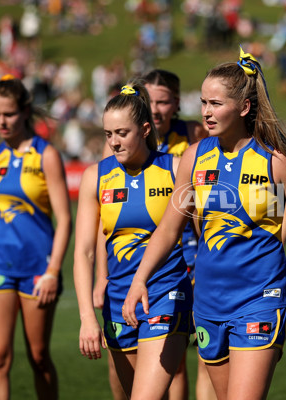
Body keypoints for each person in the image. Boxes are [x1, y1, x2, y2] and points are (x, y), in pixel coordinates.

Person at [122, 48, 286, 400]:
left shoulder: (277, 162)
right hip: (208, 302)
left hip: (260, 298)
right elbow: (168, 229)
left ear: (243, 107)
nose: (206, 112)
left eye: (216, 103)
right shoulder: (194, 156)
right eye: (204, 103)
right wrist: (139, 280)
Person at [91, 69, 210, 400]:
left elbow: (199, 219)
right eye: (151, 101)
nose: (156, 109)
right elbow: (105, 223)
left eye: (163, 101)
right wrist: (101, 277)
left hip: (177, 269)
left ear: (176, 103)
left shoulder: (192, 140)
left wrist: (205, 264)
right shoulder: (110, 160)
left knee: (179, 364)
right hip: (124, 278)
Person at [0, 74, 72, 399]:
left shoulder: (46, 155)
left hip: (37, 269)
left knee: (38, 357)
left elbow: (64, 219)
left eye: (9, 114)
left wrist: (53, 271)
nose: (1, 121)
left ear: (25, 111)